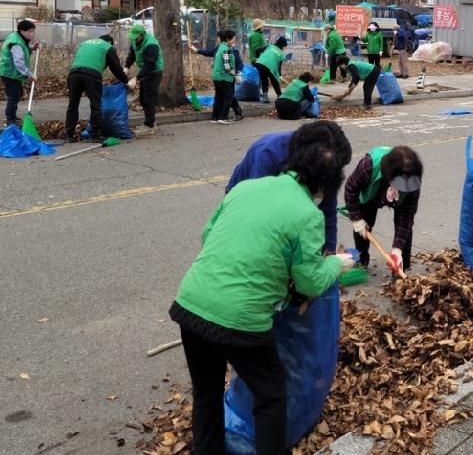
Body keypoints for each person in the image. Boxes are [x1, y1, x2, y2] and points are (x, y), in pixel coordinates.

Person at [170, 143, 355, 455]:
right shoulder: (308, 214)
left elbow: (207, 235)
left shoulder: (246, 189)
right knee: (271, 394)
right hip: (240, 320)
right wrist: (337, 263)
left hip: (190, 305)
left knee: (207, 392)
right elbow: (310, 283)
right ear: (326, 185)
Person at [225, 120, 353, 253]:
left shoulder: (327, 166)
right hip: (246, 199)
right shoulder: (270, 155)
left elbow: (328, 213)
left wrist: (329, 255)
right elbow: (260, 213)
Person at [345, 145, 424, 274]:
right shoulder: (368, 166)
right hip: (372, 193)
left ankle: (399, 267)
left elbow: (406, 217)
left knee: (405, 227)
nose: (403, 187)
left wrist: (397, 250)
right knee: (364, 223)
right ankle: (362, 260)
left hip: (399, 200)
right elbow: (350, 189)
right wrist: (356, 218)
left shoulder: (413, 182)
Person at [65, 34, 130, 143]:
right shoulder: (107, 47)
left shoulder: (85, 43)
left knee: (73, 104)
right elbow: (116, 69)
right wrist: (126, 81)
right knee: (96, 105)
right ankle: (95, 134)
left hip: (74, 73)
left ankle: (69, 135)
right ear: (110, 42)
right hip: (91, 75)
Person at [0, 19, 39, 128]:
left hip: (11, 72)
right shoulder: (16, 43)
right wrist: (30, 74)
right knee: (13, 96)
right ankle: (10, 120)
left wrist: (32, 48)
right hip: (9, 73)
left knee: (17, 93)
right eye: (29, 31)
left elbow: (23, 49)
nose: (31, 34)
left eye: (32, 31)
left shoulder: (18, 38)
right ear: (22, 30)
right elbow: (19, 62)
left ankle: (12, 116)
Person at [190, 39, 244, 121]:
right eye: (233, 39)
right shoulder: (224, 50)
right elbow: (208, 53)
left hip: (223, 77)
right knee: (228, 96)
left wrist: (239, 73)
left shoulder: (226, 50)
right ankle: (228, 115)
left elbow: (239, 63)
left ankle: (218, 116)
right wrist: (197, 50)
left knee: (224, 96)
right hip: (225, 77)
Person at [124, 22, 163, 136]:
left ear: (142, 35)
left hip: (154, 72)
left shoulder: (151, 45)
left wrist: (136, 78)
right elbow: (132, 54)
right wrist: (126, 66)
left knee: (148, 99)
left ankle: (149, 127)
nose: (134, 40)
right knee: (142, 99)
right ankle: (150, 122)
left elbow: (150, 65)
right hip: (145, 71)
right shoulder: (135, 41)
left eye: (136, 38)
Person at [209, 29, 239, 125]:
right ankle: (223, 117)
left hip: (217, 77)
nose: (235, 40)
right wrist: (236, 75)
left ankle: (215, 117)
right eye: (234, 38)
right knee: (229, 96)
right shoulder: (226, 50)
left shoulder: (221, 47)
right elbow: (227, 67)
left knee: (218, 97)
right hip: (223, 77)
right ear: (228, 39)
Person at [256, 35, 287, 103]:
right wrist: (279, 76)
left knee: (264, 80)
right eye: (284, 46)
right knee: (274, 81)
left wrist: (258, 57)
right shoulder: (281, 55)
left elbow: (257, 49)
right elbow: (278, 68)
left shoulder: (269, 46)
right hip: (268, 67)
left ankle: (265, 98)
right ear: (282, 45)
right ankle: (280, 96)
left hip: (259, 64)